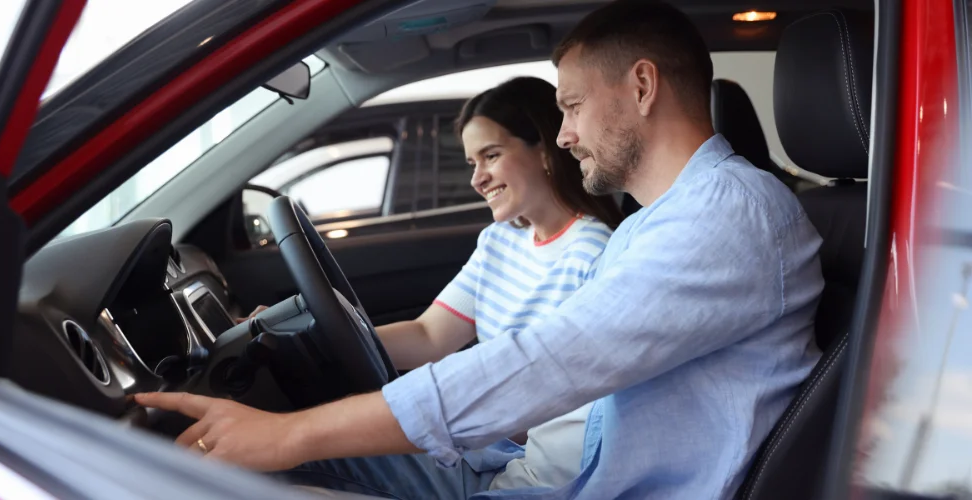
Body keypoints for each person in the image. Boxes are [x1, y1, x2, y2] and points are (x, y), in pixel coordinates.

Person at [136, 1, 825, 499]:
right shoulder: (663, 222)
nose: (563, 135)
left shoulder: (727, 217)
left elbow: (547, 364)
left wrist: (290, 435)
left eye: (574, 106)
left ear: (642, 87)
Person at [241, 75, 626, 490]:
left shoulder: (594, 253)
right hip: (484, 445)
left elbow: (558, 406)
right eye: (472, 163)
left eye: (491, 156)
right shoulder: (502, 239)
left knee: (285, 470)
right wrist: (318, 337)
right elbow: (430, 334)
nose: (478, 179)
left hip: (524, 465)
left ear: (546, 151)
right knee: (285, 463)